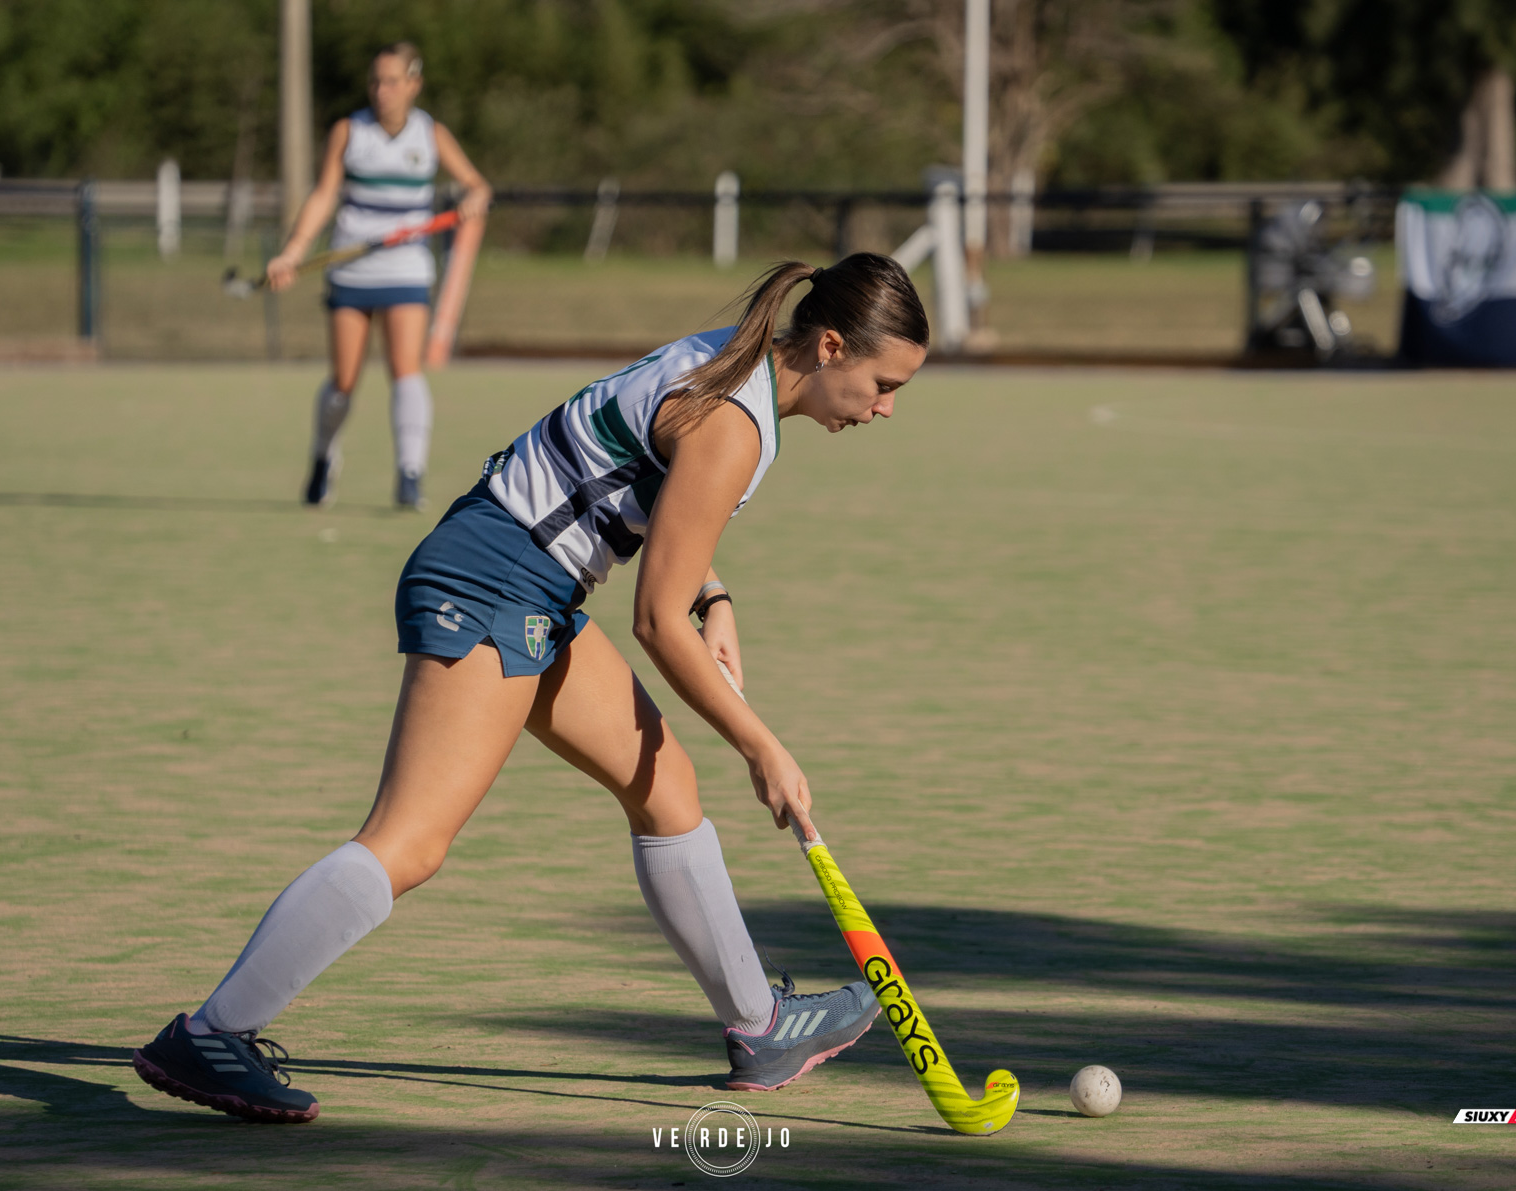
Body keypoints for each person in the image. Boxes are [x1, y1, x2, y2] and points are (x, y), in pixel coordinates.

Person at [133, 254, 932, 1123]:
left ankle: (760, 1028)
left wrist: (716, 596)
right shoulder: (735, 424)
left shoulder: (733, 358)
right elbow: (655, 621)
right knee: (410, 839)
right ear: (829, 346)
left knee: (664, 786)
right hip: (494, 581)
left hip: (530, 582)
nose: (886, 408)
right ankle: (212, 1031)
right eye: (884, 384)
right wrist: (761, 744)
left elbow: (641, 487)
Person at [267, 41, 492, 510]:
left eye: (392, 81)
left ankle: (410, 473)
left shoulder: (431, 134)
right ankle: (323, 457)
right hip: (352, 269)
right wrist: (293, 252)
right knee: (343, 383)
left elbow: (477, 186)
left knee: (406, 370)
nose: (381, 90)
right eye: (375, 81)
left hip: (406, 268)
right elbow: (324, 195)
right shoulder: (349, 131)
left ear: (413, 84)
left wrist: (473, 198)